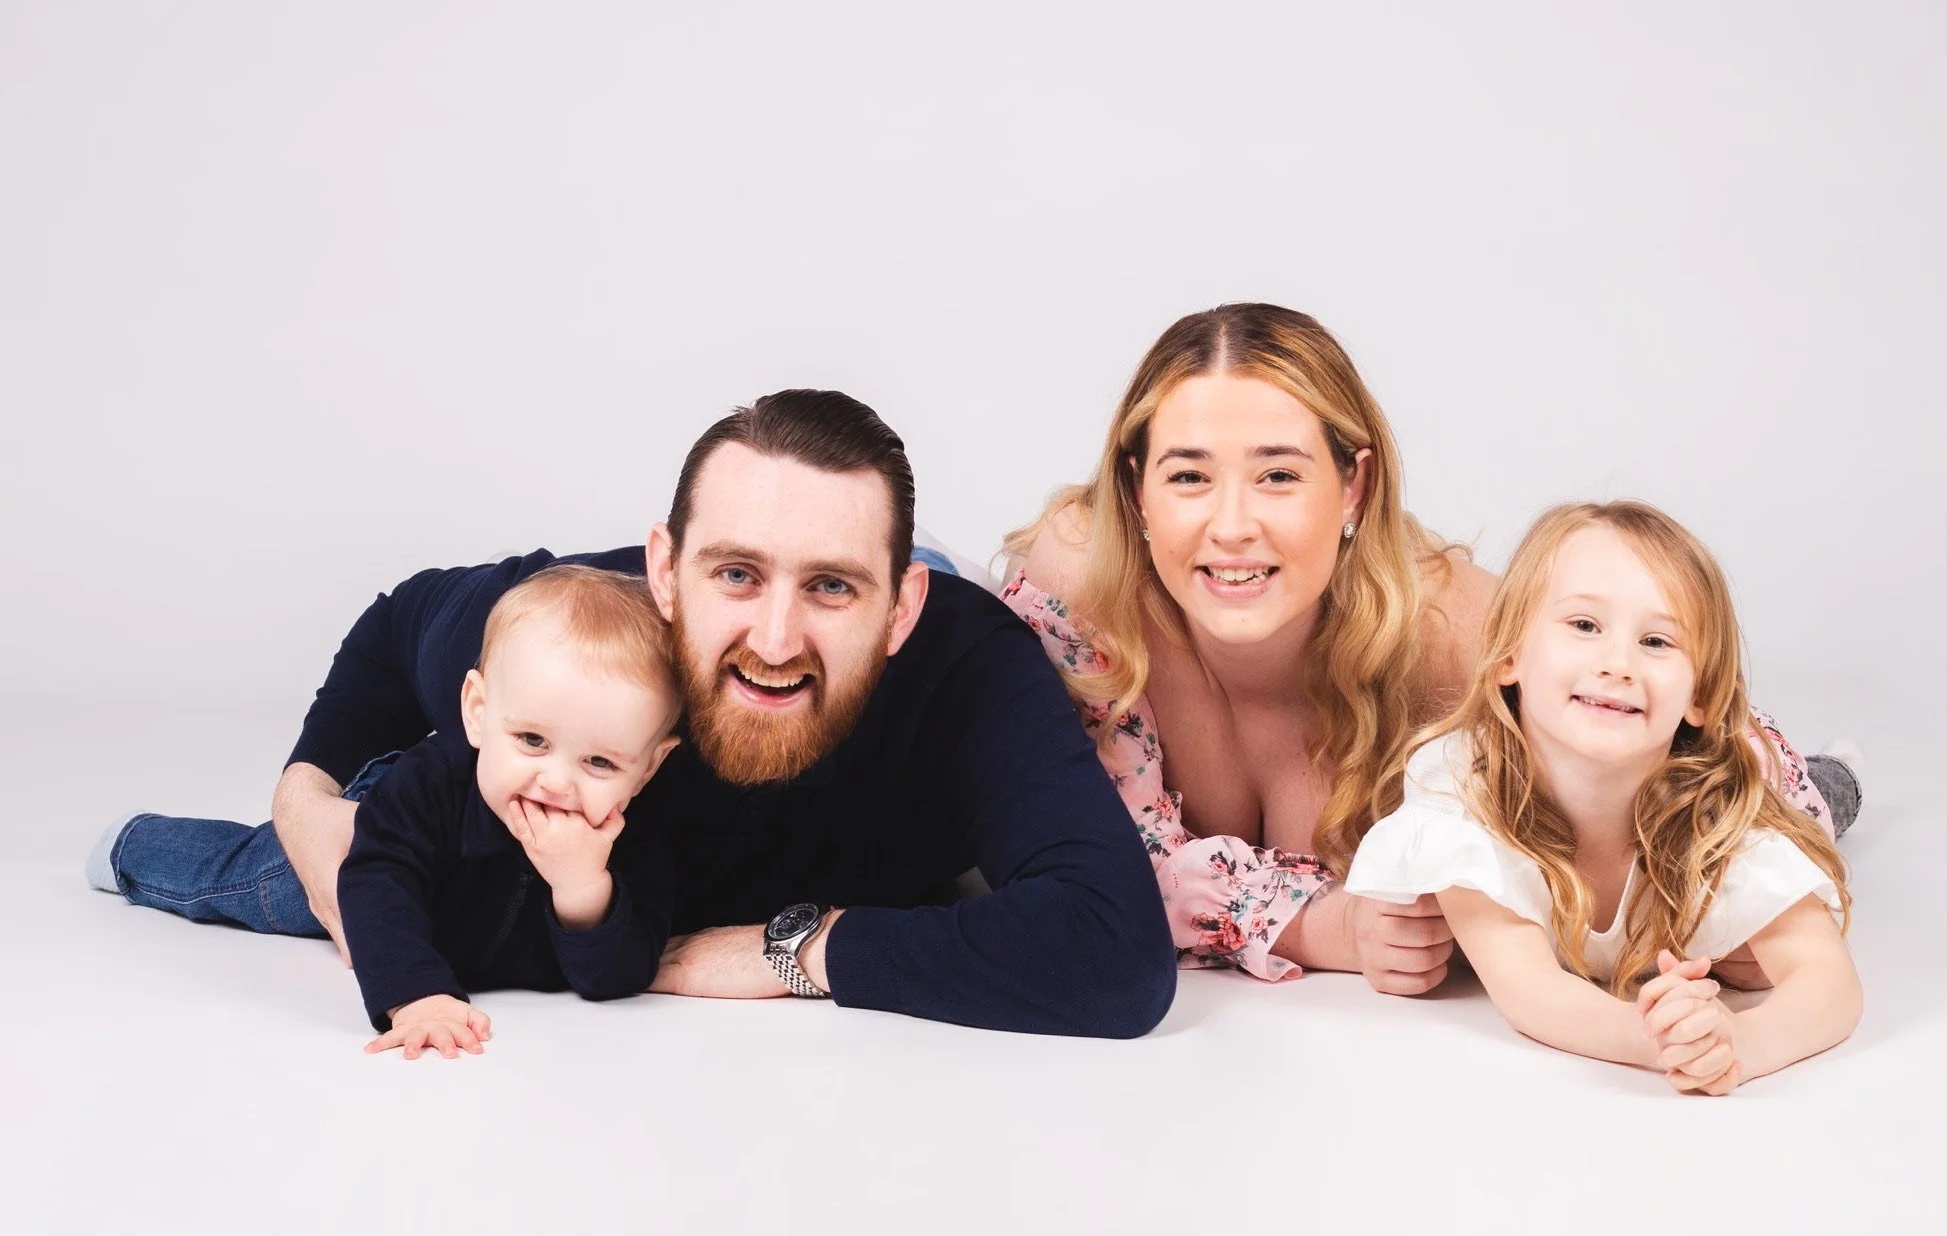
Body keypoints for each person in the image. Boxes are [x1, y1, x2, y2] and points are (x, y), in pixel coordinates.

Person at [94, 389, 1175, 1039]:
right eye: (735, 573)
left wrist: (789, 951)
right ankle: (136, 847)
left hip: (671, 900)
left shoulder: (970, 671)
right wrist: (305, 796)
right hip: (498, 831)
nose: (775, 637)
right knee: (313, 887)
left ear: (901, 607)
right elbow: (396, 624)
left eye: (833, 586)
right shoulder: (581, 640)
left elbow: (1115, 954)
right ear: (664, 570)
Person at [1004, 303, 1853, 994]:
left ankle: (1845, 776)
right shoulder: (1081, 585)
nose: (1232, 526)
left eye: (1279, 475)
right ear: (1135, 491)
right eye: (1189, 475)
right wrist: (1323, 924)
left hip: (1643, 788)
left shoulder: (1455, 628)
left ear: (1355, 487)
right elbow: (1075, 859)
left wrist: (1730, 906)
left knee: (1788, 797)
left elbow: (1728, 747)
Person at [1343, 502, 1860, 1093]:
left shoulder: (1726, 807)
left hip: (1759, 765)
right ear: (1510, 653)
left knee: (1822, 801)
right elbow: (1528, 987)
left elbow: (1829, 981)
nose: (1617, 664)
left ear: (1700, 693)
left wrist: (1737, 1044)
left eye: (1657, 641)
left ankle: (1842, 770)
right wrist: (1657, 1037)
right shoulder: (1459, 784)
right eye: (1585, 625)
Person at [89, 565, 686, 1056]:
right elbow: (378, 882)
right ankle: (131, 844)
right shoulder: (434, 782)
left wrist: (583, 889)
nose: (555, 781)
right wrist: (417, 996)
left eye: (599, 763)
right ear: (477, 712)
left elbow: (619, 975)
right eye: (532, 740)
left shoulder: (634, 830)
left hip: (468, 915)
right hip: (367, 834)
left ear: (649, 765)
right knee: (253, 879)